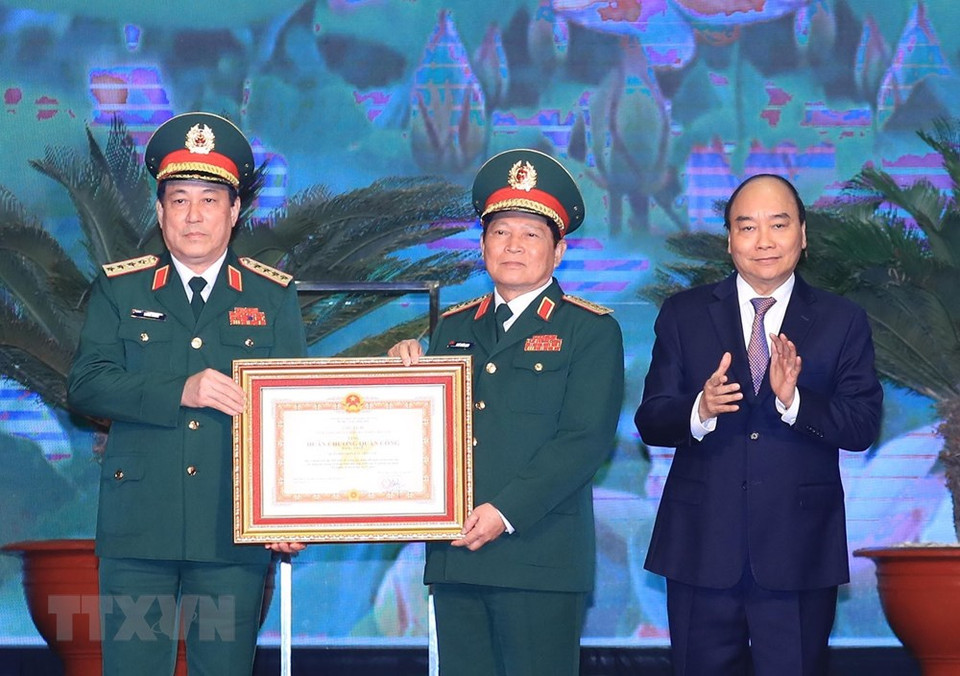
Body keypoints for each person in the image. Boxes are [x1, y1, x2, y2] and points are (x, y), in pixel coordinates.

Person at [67, 112, 307, 676]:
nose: (193, 215)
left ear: (235, 211)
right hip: (138, 534)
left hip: (231, 530)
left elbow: (291, 413)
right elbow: (86, 384)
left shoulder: (272, 297)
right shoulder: (120, 287)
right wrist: (182, 389)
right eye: (178, 200)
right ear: (160, 211)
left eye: (208, 199)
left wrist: (293, 509)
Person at [635, 174, 884, 675]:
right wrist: (699, 410)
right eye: (747, 227)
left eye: (778, 224)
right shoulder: (684, 314)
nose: (763, 241)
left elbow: (861, 426)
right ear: (729, 239)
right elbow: (651, 419)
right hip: (700, 548)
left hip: (798, 551)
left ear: (803, 234)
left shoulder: (842, 320)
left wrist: (795, 401)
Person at [389, 148, 624, 676]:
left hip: (538, 559)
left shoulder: (589, 330)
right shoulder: (451, 329)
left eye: (532, 234)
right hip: (455, 558)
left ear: (559, 251)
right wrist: (400, 378)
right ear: (482, 245)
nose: (513, 245)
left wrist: (503, 512)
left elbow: (582, 442)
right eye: (500, 232)